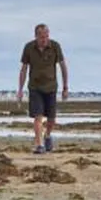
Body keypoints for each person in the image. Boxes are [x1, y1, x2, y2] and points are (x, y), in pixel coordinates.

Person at [17, 24, 69, 154]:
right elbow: (23, 70)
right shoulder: (29, 47)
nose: (44, 39)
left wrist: (65, 87)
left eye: (46, 36)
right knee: (38, 116)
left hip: (51, 87)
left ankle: (47, 136)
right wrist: (20, 89)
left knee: (51, 119)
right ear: (36, 36)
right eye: (41, 37)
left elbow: (63, 67)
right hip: (35, 87)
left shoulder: (55, 46)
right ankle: (39, 145)